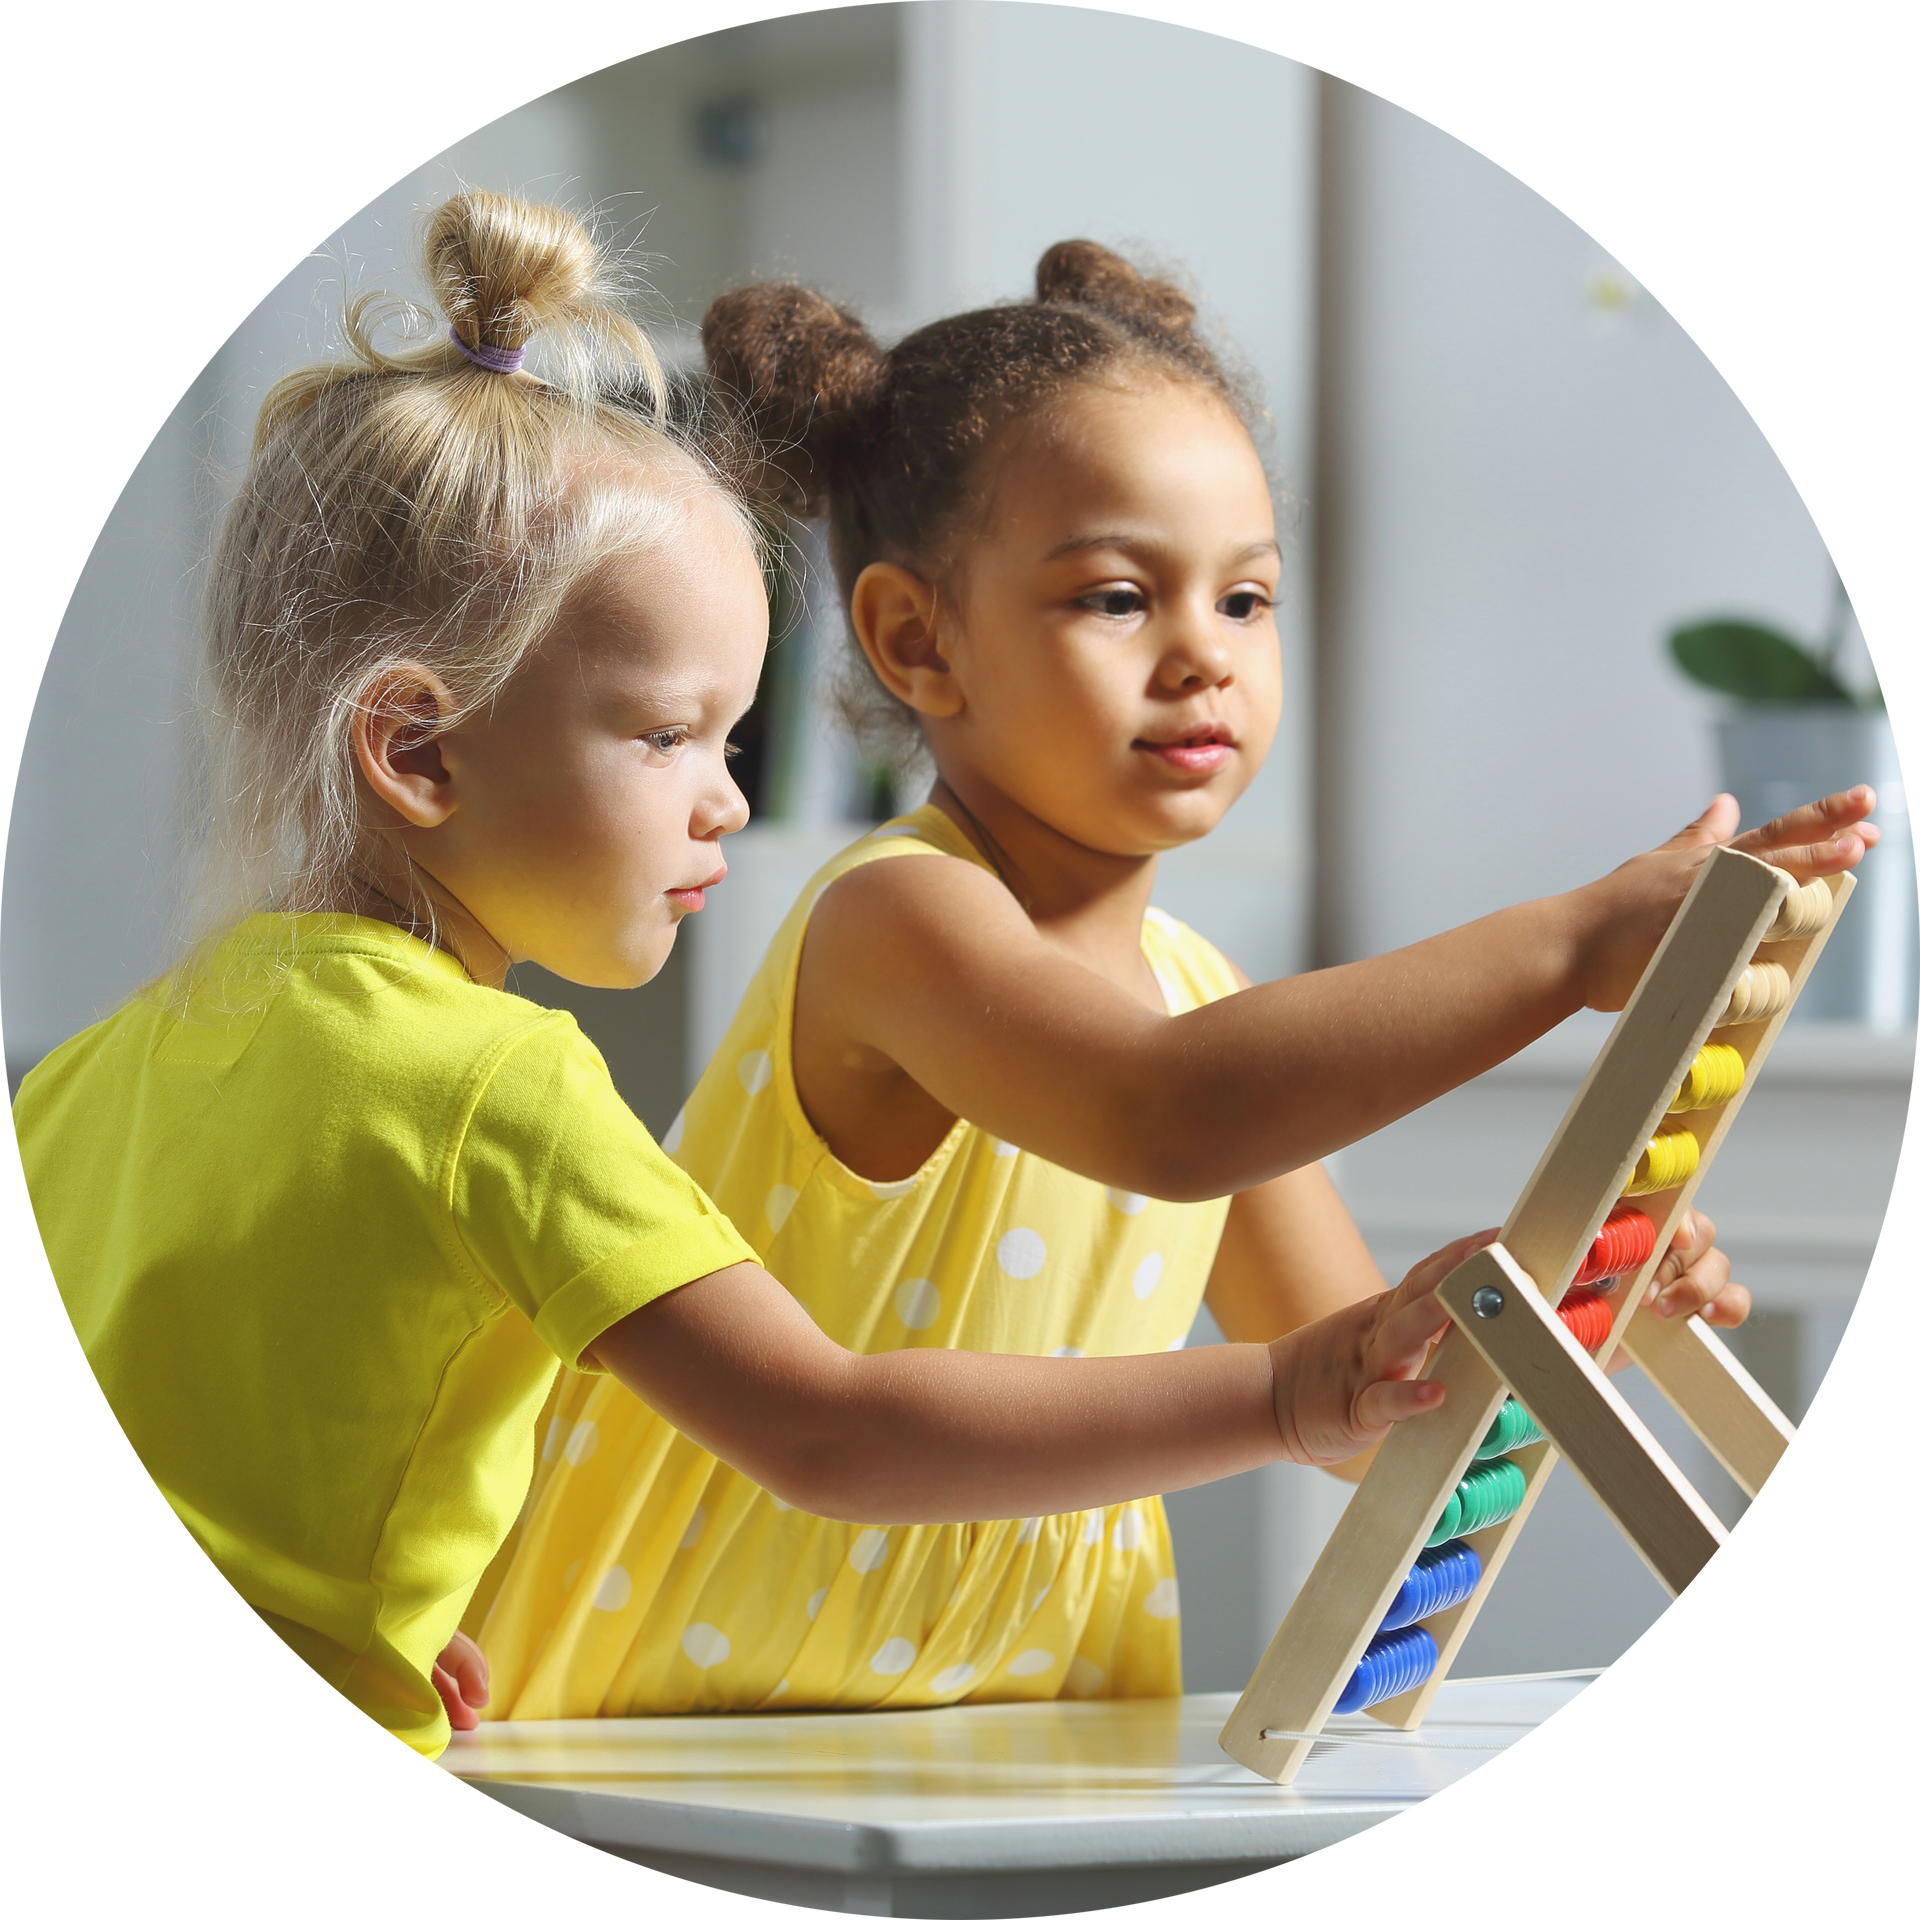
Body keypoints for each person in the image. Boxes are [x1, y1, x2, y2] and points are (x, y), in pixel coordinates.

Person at [16, 199, 1516, 1763]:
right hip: (721, 1737)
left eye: (731, 743)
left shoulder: (94, 1068)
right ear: (417, 748)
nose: (726, 799)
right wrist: (1279, 1397)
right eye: (670, 737)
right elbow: (828, 1424)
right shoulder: (504, 1085)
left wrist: (382, 1595)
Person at [466, 242, 1876, 1722]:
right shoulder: (897, 923)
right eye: (1121, 598)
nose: (1205, 655)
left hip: (1020, 1729)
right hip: (663, 1720)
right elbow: (1164, 1113)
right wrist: (1572, 945)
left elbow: (1367, 1409)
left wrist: (1588, 1276)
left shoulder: (1193, 989)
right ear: (913, 639)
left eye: (1248, 601)